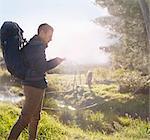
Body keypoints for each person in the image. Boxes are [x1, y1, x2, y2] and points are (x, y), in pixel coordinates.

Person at [8, 23, 65, 140]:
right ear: (42, 32)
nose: (51, 38)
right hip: (34, 86)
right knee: (25, 119)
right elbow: (41, 67)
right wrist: (57, 60)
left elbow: (37, 66)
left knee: (35, 117)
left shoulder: (35, 45)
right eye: (50, 35)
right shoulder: (36, 46)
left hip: (36, 84)